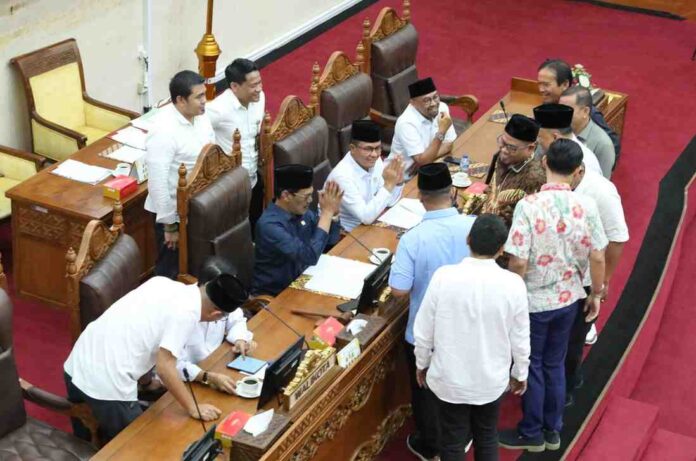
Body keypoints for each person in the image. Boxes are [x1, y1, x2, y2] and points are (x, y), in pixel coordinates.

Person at [499, 138, 607, 452]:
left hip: (533, 302)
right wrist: (596, 294)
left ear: (544, 162)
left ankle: (532, 431)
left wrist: (513, 295)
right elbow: (598, 256)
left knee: (533, 363)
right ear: (578, 170)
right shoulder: (587, 205)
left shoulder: (528, 206)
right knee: (555, 364)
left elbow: (518, 261)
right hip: (570, 298)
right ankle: (552, 429)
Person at [64, 272, 245, 443]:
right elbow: (165, 367)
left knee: (82, 441)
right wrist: (194, 408)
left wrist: (146, 382)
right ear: (215, 314)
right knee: (139, 445)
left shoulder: (161, 282)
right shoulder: (187, 313)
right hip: (107, 384)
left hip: (76, 363)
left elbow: (140, 336)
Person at [414, 214, 530, 461]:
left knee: (452, 441)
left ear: (468, 239)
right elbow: (520, 337)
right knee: (487, 436)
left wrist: (422, 364)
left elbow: (423, 331)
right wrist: (520, 372)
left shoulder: (443, 277)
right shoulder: (513, 284)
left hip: (449, 378)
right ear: (502, 249)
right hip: (491, 380)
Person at [389, 162, 476, 460]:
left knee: (425, 389)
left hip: (428, 331)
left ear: (420, 197)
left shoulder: (413, 238)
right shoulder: (473, 226)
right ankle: (462, 433)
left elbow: (399, 290)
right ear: (452, 192)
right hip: (467, 323)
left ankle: (432, 446)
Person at [565, 163, 629, 406]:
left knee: (573, 339)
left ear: (579, 170)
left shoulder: (601, 192)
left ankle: (567, 389)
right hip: (560, 278)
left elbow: (617, 239)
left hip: (584, 281)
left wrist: (603, 283)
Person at [145, 70, 214, 279]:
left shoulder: (201, 116)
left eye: (204, 94)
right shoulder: (164, 130)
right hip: (173, 213)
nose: (204, 101)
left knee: (192, 262)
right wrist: (170, 225)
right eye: (199, 97)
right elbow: (157, 182)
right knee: (170, 268)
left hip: (197, 205)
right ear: (180, 100)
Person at [252, 164, 343, 296]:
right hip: (278, 295)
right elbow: (309, 256)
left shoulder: (303, 213)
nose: (310, 200)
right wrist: (326, 214)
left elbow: (331, 241)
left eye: (311, 194)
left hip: (305, 281)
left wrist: (333, 215)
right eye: (306, 196)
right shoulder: (269, 225)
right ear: (286, 195)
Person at [176, 257, 257, 393]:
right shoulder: (181, 310)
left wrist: (240, 340)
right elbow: (173, 365)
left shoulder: (224, 299)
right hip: (187, 380)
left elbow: (236, 320)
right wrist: (207, 377)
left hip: (218, 366)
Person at [206, 59, 266, 230]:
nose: (259, 89)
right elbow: (196, 130)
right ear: (234, 86)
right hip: (231, 187)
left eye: (260, 82)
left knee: (254, 227)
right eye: (253, 85)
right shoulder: (218, 109)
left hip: (254, 179)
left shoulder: (260, 98)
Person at [325, 120, 405, 231]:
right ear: (352, 148)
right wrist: (388, 185)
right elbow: (365, 218)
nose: (374, 154)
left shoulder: (375, 160)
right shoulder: (342, 176)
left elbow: (389, 202)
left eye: (378, 148)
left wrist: (398, 183)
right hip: (345, 233)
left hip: (370, 223)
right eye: (368, 149)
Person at [537, 58, 621, 160]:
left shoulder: (588, 112)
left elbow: (613, 143)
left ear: (565, 84)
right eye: (539, 84)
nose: (541, 89)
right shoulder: (549, 104)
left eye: (546, 84)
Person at [482, 114, 546, 227]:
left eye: (511, 148)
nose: (503, 150)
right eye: (502, 142)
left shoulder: (535, 178)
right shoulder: (504, 157)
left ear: (530, 148)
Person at [390, 77, 457, 178]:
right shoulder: (406, 123)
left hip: (428, 167)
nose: (433, 104)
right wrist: (441, 132)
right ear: (413, 103)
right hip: (402, 177)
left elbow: (449, 145)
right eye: (427, 100)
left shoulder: (442, 108)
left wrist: (426, 159)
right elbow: (424, 161)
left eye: (435, 97)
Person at [534, 103, 603, 177]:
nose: (537, 141)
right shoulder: (548, 154)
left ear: (555, 138)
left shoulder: (585, 163)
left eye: (539, 137)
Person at [560, 86, 615, 178]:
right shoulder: (557, 130)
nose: (561, 114)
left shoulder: (603, 145)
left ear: (585, 111)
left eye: (567, 110)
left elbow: (602, 182)